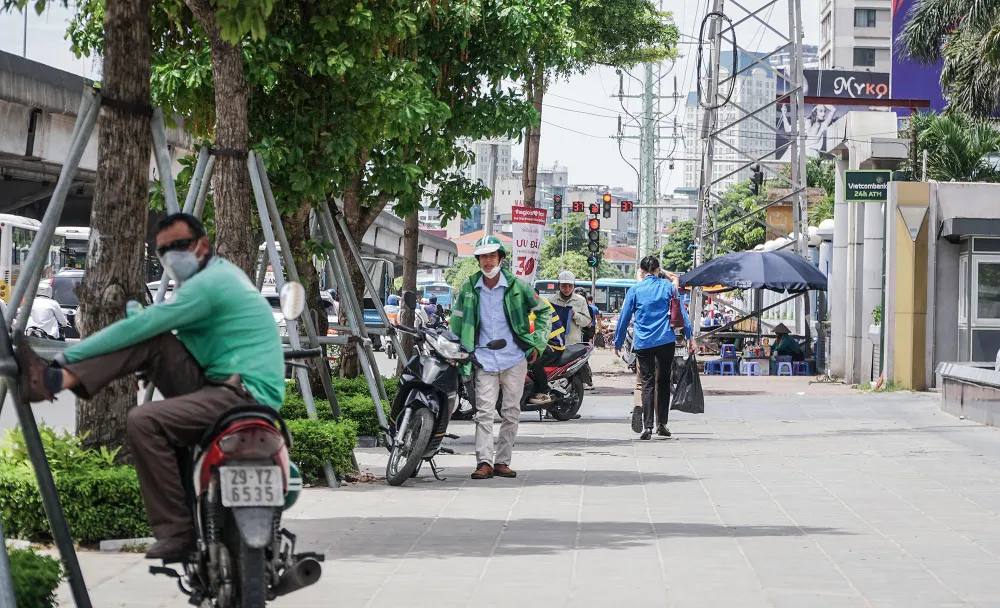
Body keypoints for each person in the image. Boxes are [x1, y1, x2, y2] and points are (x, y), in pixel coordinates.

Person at [15, 213, 284, 561]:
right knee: (150, 341)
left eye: (181, 246)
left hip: (240, 395)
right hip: (223, 384)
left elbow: (143, 329)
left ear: (202, 245)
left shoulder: (209, 286)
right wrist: (144, 340)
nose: (173, 255)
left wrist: (65, 359)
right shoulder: (215, 278)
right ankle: (53, 380)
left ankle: (177, 532)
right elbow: (171, 339)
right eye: (164, 250)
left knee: (143, 419)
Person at [450, 235, 550, 480]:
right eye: (483, 257)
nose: (487, 261)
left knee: (511, 411)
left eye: (492, 256)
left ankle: (502, 461)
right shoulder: (469, 288)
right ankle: (484, 461)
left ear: (501, 259)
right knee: (483, 412)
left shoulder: (518, 286)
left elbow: (544, 312)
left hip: (514, 357)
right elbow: (457, 321)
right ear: (478, 260)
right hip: (483, 358)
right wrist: (454, 349)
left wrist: (537, 342)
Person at [614, 256, 695, 441]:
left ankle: (647, 427)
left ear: (641, 272)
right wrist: (690, 336)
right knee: (664, 381)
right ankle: (662, 424)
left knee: (647, 383)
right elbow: (681, 312)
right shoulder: (668, 287)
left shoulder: (635, 290)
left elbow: (624, 318)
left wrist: (617, 343)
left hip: (643, 342)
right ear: (658, 270)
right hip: (666, 340)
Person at [526, 289, 566, 405]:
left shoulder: (540, 304)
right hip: (541, 341)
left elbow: (528, 324)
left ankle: (544, 392)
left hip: (554, 344)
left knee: (535, 362)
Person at [550, 271, 590, 344]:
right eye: (564, 286)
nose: (567, 289)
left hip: (573, 344)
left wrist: (574, 315)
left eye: (570, 286)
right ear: (559, 285)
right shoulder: (551, 300)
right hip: (554, 343)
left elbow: (586, 322)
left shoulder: (581, 300)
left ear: (574, 285)